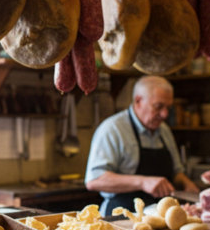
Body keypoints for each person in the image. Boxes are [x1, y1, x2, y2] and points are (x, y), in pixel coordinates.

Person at [85, 76, 199, 215]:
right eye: (158, 107)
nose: (165, 114)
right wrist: (143, 182)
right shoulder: (112, 129)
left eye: (168, 107)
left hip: (160, 215)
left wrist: (187, 185)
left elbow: (176, 172)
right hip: (121, 216)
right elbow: (94, 180)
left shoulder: (163, 130)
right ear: (138, 101)